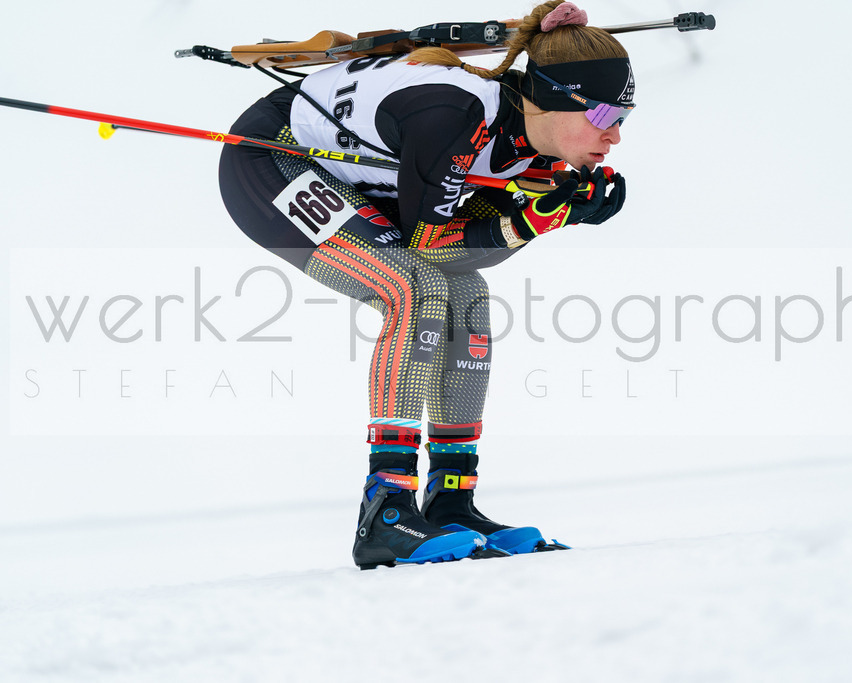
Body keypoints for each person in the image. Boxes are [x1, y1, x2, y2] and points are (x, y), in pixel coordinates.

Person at [218, 0, 632, 569]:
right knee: (411, 288)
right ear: (555, 98)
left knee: (467, 298)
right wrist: (534, 220)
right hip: (273, 158)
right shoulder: (453, 115)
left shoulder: (534, 146)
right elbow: (429, 243)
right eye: (606, 116)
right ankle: (385, 510)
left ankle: (450, 501)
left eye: (624, 119)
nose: (614, 136)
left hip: (356, 171)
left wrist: (548, 212)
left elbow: (472, 255)